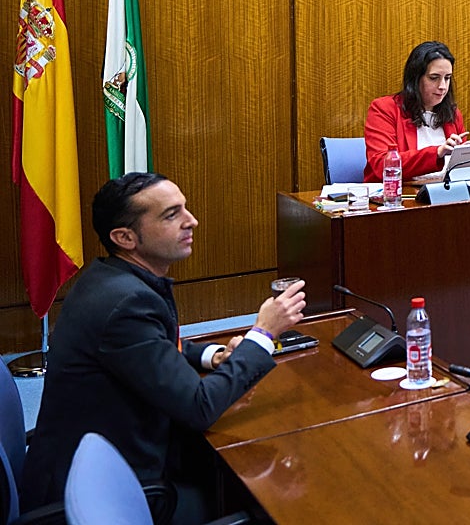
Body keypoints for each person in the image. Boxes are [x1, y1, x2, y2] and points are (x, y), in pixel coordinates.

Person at [19, 173, 306, 522]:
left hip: (97, 457)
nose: (192, 221)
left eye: (184, 208)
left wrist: (211, 356)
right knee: (273, 493)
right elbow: (200, 407)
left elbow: (147, 346)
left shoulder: (110, 279)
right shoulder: (126, 303)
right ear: (124, 237)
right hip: (111, 490)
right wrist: (263, 332)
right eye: (171, 215)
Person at [363, 41, 469, 180]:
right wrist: (436, 153)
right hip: (400, 196)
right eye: (434, 78)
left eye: (447, 78)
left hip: (446, 194)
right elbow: (383, 164)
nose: (442, 86)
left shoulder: (453, 114)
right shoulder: (384, 109)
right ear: (415, 78)